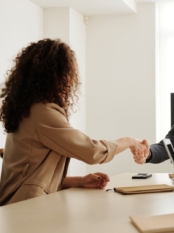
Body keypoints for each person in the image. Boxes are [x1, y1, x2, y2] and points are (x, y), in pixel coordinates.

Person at [0, 39, 149, 206]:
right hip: (24, 209)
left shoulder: (27, 109)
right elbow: (92, 151)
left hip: (19, 206)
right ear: (58, 74)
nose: (71, 79)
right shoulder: (42, 113)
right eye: (69, 72)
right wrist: (129, 141)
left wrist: (79, 181)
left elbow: (32, 176)